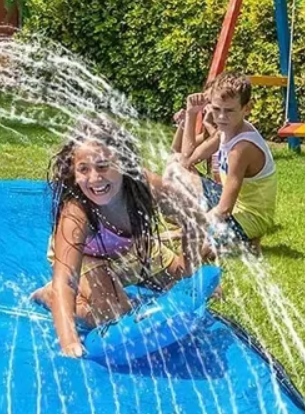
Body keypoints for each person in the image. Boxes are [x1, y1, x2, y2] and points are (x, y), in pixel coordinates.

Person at [32, 122, 198, 358]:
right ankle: (49, 296)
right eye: (83, 169)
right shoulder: (76, 214)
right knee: (113, 316)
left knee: (190, 282)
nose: (94, 178)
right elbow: (66, 281)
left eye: (103, 166)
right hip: (87, 254)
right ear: (74, 172)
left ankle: (115, 283)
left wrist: (191, 272)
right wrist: (68, 341)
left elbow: (190, 217)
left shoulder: (145, 186)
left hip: (127, 249)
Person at [169, 73, 277, 249]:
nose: (220, 117)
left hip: (249, 217)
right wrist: (191, 113)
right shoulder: (225, 131)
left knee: (198, 247)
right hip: (231, 204)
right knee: (176, 168)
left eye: (229, 111)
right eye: (216, 109)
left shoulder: (241, 148)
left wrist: (197, 226)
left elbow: (225, 209)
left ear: (246, 109)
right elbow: (186, 159)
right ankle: (234, 240)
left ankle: (246, 239)